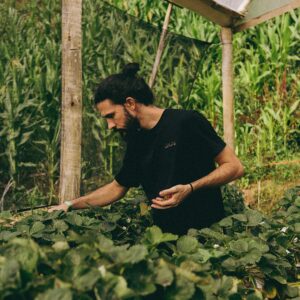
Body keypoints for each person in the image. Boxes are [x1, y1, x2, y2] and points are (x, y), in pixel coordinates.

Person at [49, 63, 244, 235]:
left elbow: (234, 167)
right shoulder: (136, 140)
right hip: (166, 242)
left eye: (111, 115)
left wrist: (190, 188)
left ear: (130, 103)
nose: (110, 126)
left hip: (209, 237)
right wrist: (69, 205)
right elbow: (117, 187)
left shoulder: (186, 122)